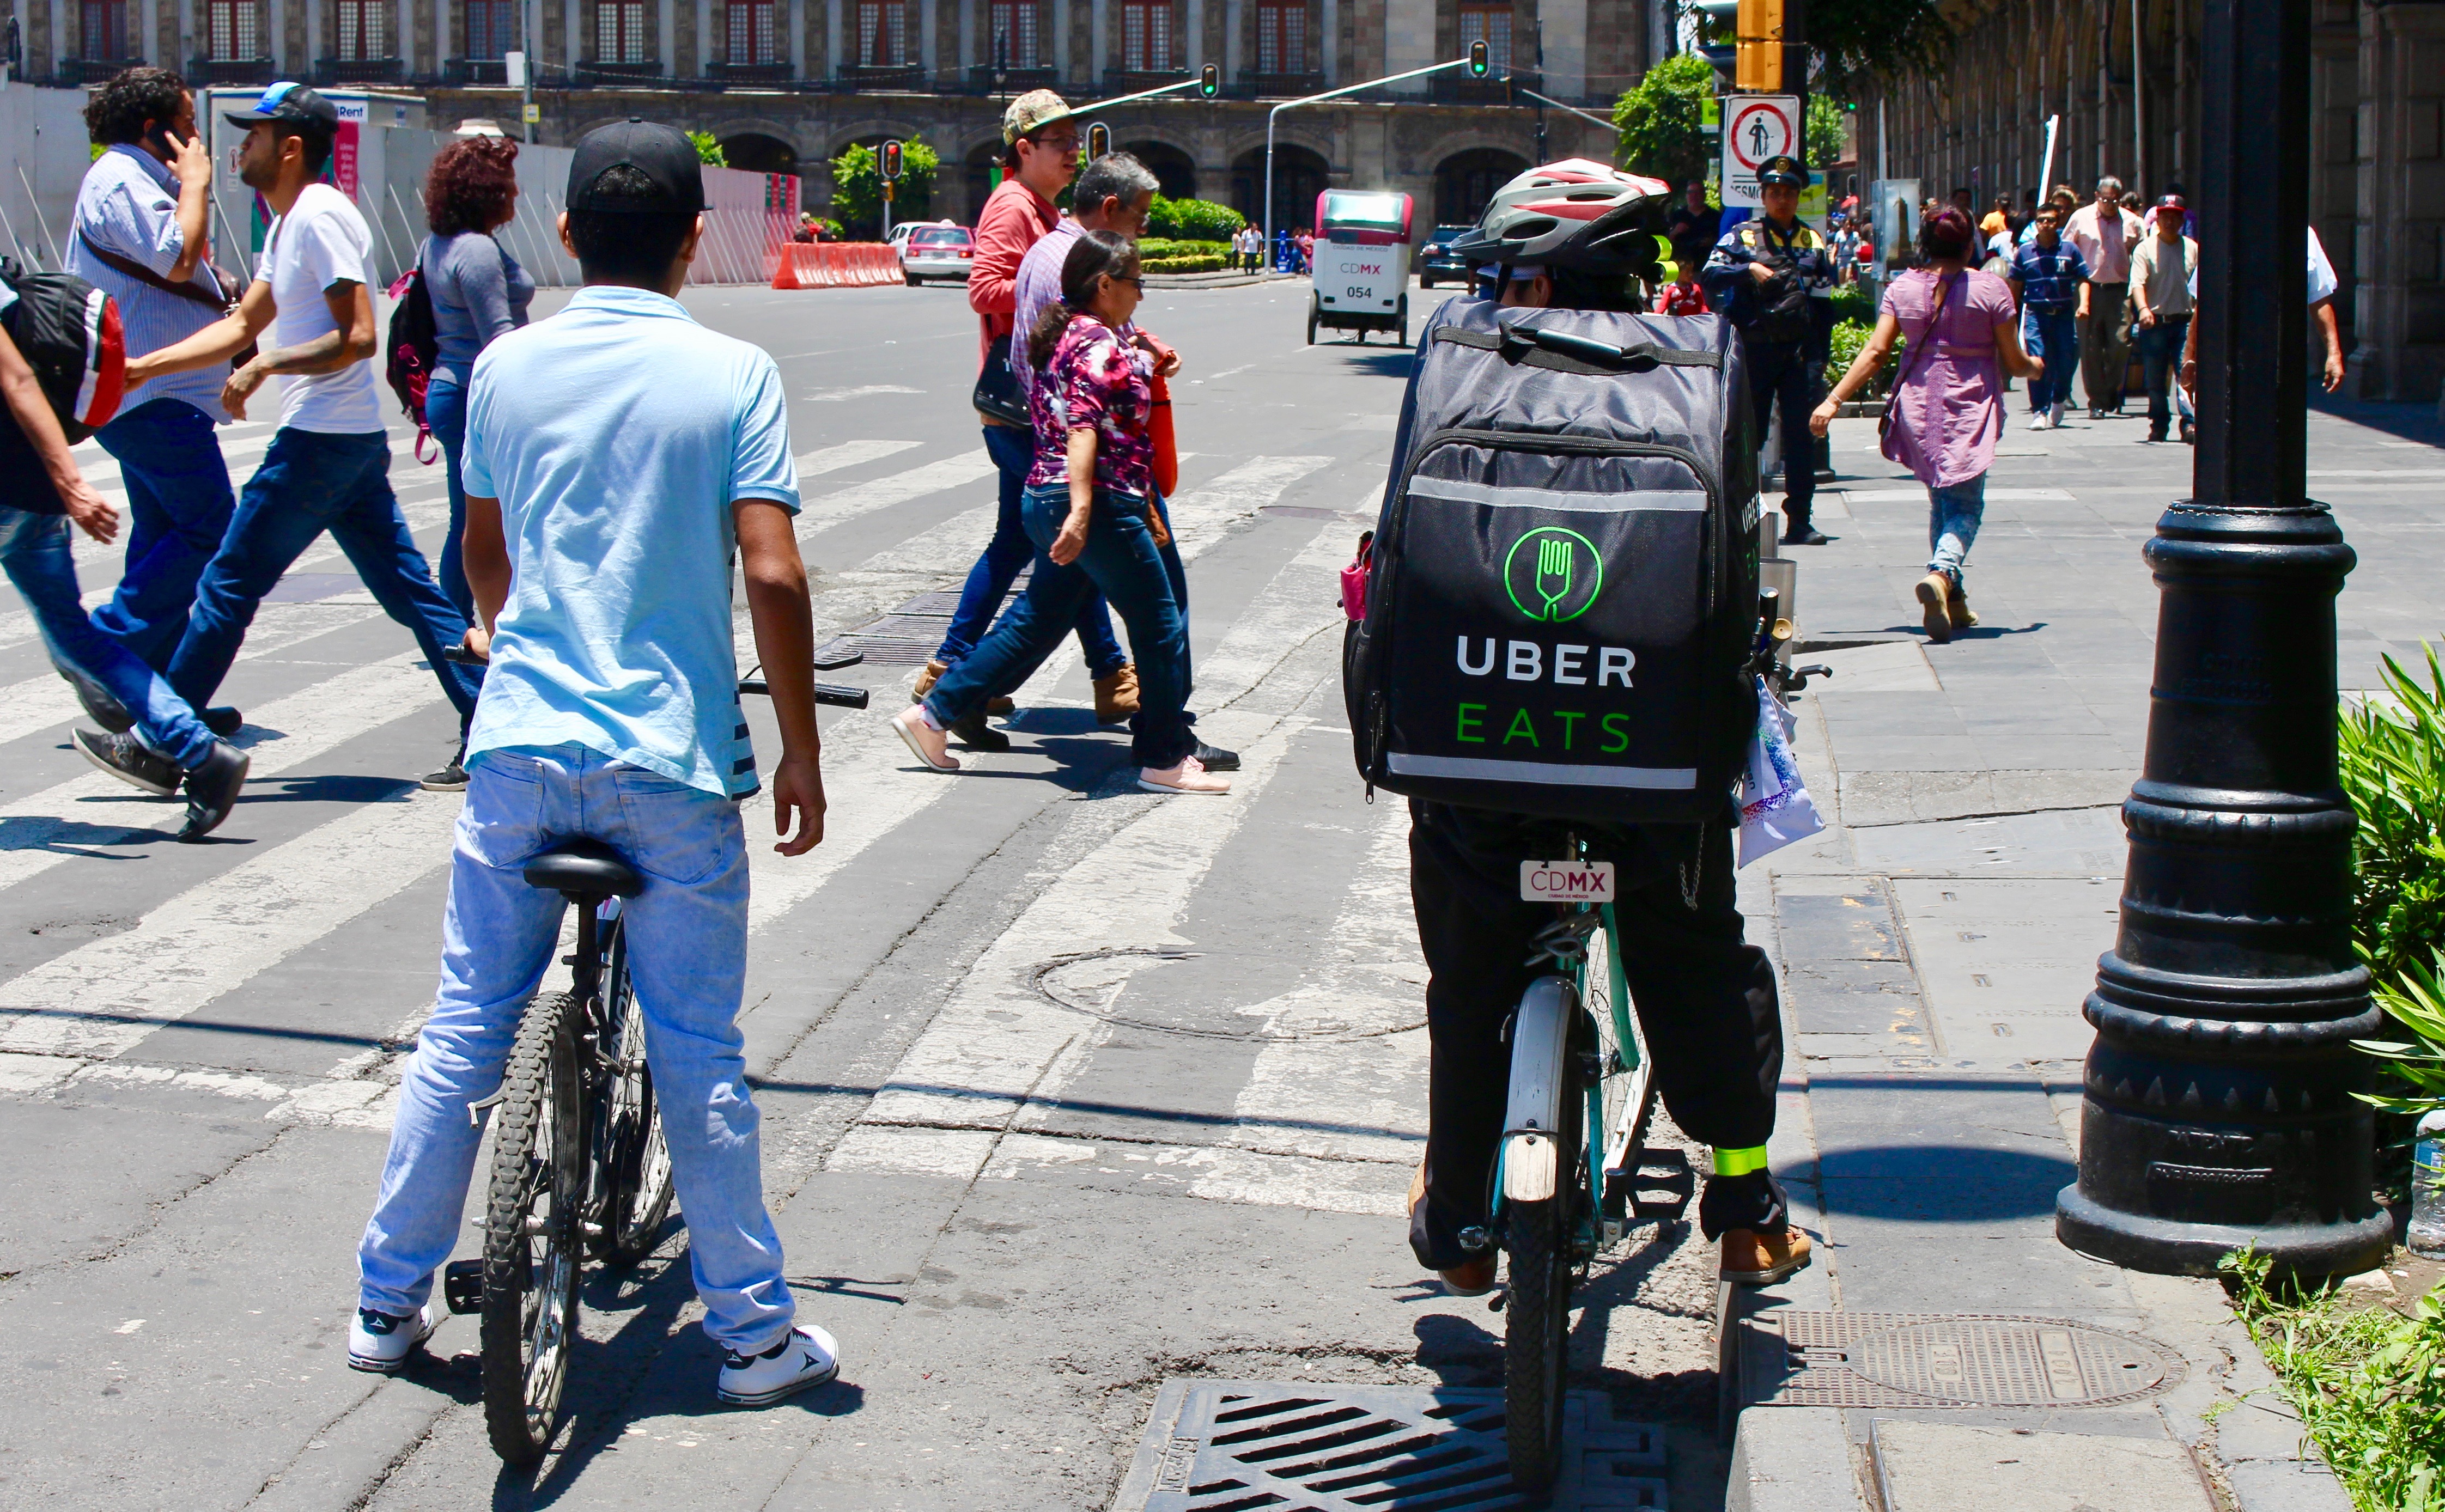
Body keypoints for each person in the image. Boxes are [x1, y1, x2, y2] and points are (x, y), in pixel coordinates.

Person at [350, 119, 838, 1404]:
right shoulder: (734, 372)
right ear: (693, 239)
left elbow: (482, 553)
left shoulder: (507, 367)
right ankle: (751, 1336)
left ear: (561, 233)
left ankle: (385, 1304)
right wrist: (799, 749)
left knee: (464, 1026)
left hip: (518, 750)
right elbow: (774, 571)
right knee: (695, 1046)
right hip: (669, 765)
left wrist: (508, 634)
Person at [1408, 158, 1808, 1296]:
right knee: (1693, 958)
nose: (1491, 294)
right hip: (1654, 764)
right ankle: (1745, 1202)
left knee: (1469, 984)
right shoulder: (1700, 373)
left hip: (1475, 751)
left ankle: (1452, 1217)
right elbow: (1743, 565)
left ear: (1534, 279)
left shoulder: (1455, 363)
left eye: (1504, 276)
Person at [117, 83, 481, 790]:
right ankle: (498, 729)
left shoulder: (320, 216)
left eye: (253, 135)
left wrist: (271, 364)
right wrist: (145, 369)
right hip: (343, 446)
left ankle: (165, 743)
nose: (240, 146)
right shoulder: (285, 225)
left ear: (290, 147)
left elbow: (360, 336)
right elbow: (241, 324)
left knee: (227, 582)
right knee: (413, 594)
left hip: (317, 442)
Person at [890, 232, 1225, 796]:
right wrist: (1084, 510)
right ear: (1104, 285)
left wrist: (1143, 361)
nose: (1141, 296)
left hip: (1042, 494)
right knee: (1160, 623)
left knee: (1037, 619)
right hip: (1097, 501)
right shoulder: (1094, 343)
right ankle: (1165, 758)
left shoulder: (1066, 336)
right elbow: (1085, 426)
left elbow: (1096, 397)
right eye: (1136, 284)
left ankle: (931, 716)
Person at [922, 90, 1137, 735]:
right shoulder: (1013, 206)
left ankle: (956, 673)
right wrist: (1051, 285)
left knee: (1029, 541)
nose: (1075, 150)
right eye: (1060, 142)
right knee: (1071, 543)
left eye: (1076, 140)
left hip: (1033, 404)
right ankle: (1107, 676)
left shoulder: (1041, 208)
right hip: (1022, 404)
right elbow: (983, 288)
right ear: (1024, 150)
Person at [0, 284, 249, 835]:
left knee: (80, 637)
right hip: (32, 492)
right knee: (78, 638)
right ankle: (202, 754)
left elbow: (15, 374)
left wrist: (72, 482)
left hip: (23, 486)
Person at [65, 66, 245, 733]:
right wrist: (196, 184)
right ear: (156, 130)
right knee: (212, 527)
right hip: (151, 396)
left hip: (159, 395)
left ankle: (159, 695)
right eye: (189, 123)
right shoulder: (120, 180)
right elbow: (176, 257)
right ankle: (105, 648)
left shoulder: (136, 180)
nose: (197, 137)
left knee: (166, 532)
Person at [1811, 206, 2041, 645]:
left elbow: (1876, 353)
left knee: (1942, 499)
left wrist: (1833, 399)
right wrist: (2035, 367)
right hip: (1969, 404)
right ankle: (1941, 574)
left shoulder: (1903, 288)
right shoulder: (1991, 290)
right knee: (1967, 506)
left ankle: (1954, 600)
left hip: (1920, 403)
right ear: (1970, 245)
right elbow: (2014, 361)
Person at [416, 133, 533, 790]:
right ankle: (463, 643)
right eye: (508, 185)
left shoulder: (439, 244)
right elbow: (503, 346)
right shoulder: (480, 252)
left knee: (473, 526)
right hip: (478, 395)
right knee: (483, 536)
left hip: (449, 388)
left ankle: (457, 625)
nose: (516, 195)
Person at [1701, 154, 1838, 546]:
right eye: (1775, 193)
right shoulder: (1743, 236)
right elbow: (1710, 272)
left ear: (1798, 198)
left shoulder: (1811, 240)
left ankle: (1801, 520)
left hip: (1798, 356)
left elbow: (1824, 301)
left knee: (1801, 438)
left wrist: (1820, 360)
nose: (1782, 200)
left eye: (1789, 194)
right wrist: (1748, 271)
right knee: (1748, 436)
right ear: (1764, 196)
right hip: (1755, 352)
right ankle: (1741, 518)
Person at [2007, 202, 2091, 430]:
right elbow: (2016, 284)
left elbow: (2083, 277)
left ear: (2058, 223)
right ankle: (2039, 411)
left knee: (2066, 359)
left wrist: (2083, 304)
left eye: (2051, 220)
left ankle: (2059, 397)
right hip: (2036, 313)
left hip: (2063, 314)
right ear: (2036, 224)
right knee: (2038, 359)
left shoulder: (2069, 250)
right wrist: (2010, 313)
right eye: (2041, 220)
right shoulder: (2025, 252)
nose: (2046, 225)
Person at [2065, 175, 2143, 417]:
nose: (2110, 204)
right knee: (2090, 347)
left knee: (2120, 343)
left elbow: (2143, 254)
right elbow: (2066, 249)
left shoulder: (2133, 222)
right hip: (2088, 289)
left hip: (2120, 291)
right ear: (2097, 196)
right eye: (2106, 199)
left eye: (2115, 200)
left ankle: (2111, 389)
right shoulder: (2081, 218)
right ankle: (2097, 401)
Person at [2127, 194, 2197, 444]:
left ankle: (2189, 423)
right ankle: (2159, 422)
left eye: (2174, 217)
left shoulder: (2192, 248)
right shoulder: (2145, 249)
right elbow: (2137, 283)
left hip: (2185, 324)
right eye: (2164, 217)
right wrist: (2144, 309)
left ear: (2181, 220)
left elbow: (2200, 288)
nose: (2169, 222)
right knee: (2155, 381)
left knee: (2186, 375)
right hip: (2155, 323)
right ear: (2158, 219)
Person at [1665, 180, 1722, 275]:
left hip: (1706, 269)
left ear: (1704, 195)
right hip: (1681, 269)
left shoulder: (1715, 216)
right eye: (1690, 192)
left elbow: (1724, 240)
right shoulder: (1676, 216)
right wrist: (1675, 232)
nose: (1694, 196)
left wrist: (1713, 241)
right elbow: (1665, 241)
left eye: (1698, 192)